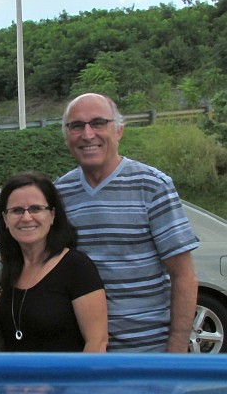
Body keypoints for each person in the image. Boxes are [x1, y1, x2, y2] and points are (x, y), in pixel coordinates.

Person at [54, 93, 199, 352]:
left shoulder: (153, 186)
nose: (87, 134)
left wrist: (176, 350)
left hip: (147, 354)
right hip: (85, 353)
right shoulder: (60, 193)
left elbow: (183, 274)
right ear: (67, 136)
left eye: (98, 123)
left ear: (119, 130)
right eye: (76, 126)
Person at [0, 171, 107, 352]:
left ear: (53, 215)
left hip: (62, 379)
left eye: (36, 209)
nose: (26, 217)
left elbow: (97, 343)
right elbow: (8, 317)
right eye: (17, 210)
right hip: (12, 378)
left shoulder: (76, 267)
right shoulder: (12, 265)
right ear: (5, 219)